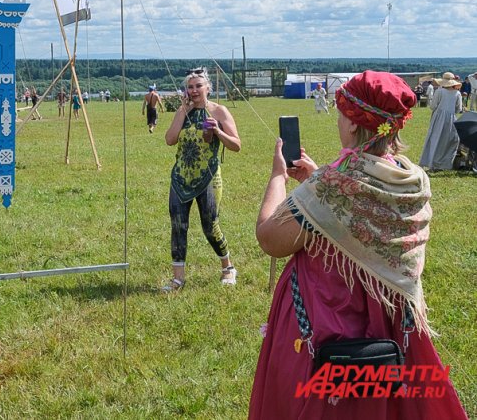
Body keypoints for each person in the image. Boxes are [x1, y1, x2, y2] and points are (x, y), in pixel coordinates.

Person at [250, 70, 467, 419]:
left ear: (353, 124)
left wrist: (278, 175)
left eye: (340, 114)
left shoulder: (334, 184)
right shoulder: (411, 177)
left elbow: (270, 238)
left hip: (327, 328)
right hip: (389, 327)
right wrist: (317, 176)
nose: (338, 121)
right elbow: (358, 210)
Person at [163, 68, 241, 291]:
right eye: (190, 86)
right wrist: (181, 113)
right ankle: (178, 278)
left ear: (208, 87)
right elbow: (170, 140)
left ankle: (228, 268)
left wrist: (218, 131)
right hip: (180, 177)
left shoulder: (219, 111)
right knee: (178, 226)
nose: (194, 90)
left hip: (208, 178)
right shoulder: (183, 110)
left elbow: (236, 145)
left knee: (210, 226)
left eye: (198, 86)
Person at [419, 72, 462, 170]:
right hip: (451, 118)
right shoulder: (457, 93)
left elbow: (433, 106)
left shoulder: (440, 91)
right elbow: (458, 109)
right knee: (448, 140)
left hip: (438, 118)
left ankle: (432, 162)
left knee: (435, 139)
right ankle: (444, 163)